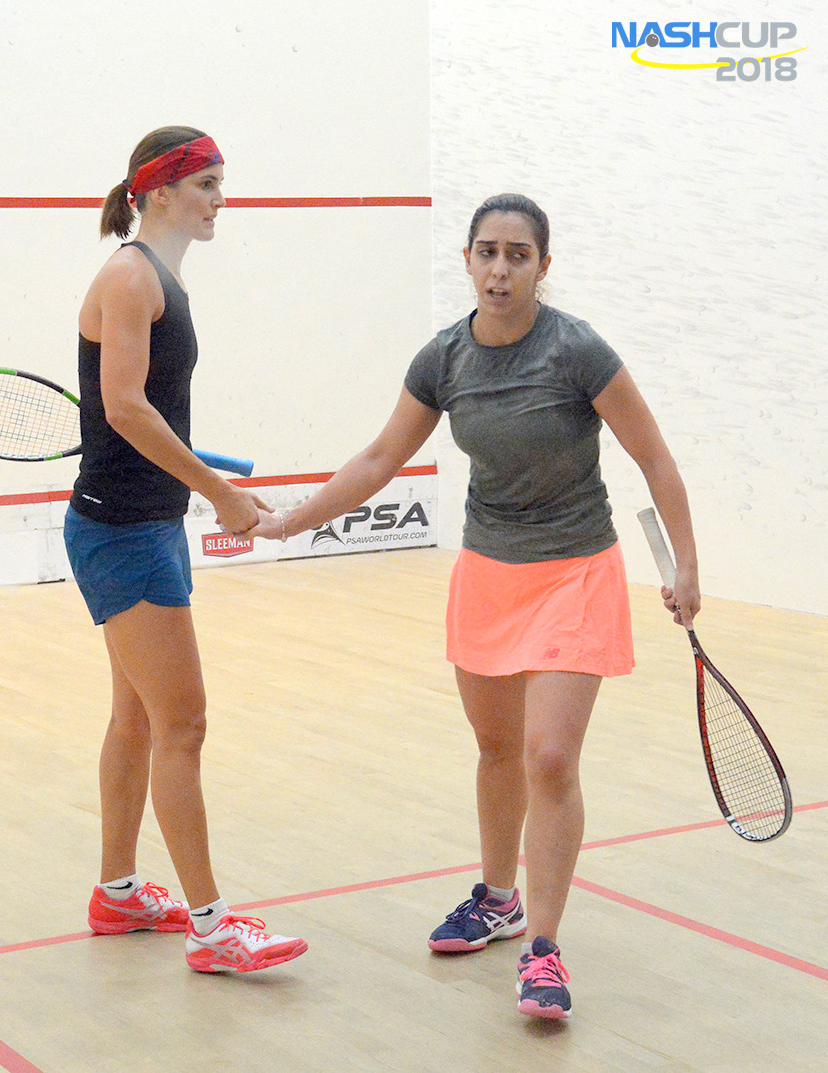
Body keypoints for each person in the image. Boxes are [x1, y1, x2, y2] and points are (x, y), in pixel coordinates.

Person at [242, 193, 699, 1016]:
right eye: (487, 252)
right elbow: (379, 458)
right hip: (489, 572)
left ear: (543, 267)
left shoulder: (578, 351)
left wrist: (688, 563)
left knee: (548, 756)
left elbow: (655, 457)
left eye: (518, 255)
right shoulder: (444, 359)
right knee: (496, 750)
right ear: (467, 260)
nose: (500, 269)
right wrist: (288, 520)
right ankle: (497, 897)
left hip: (575, 572)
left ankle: (544, 948)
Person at [63, 126, 307, 974]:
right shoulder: (130, 278)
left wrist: (202, 481)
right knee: (184, 723)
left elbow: (143, 414)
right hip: (122, 530)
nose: (219, 200)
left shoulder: (158, 280)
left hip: (145, 522)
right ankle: (212, 928)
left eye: (220, 184)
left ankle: (118, 892)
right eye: (206, 184)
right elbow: (125, 408)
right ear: (159, 192)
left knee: (138, 716)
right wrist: (220, 492)